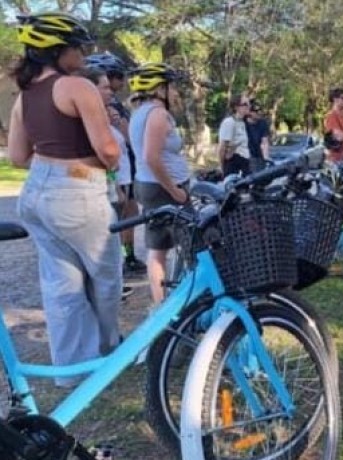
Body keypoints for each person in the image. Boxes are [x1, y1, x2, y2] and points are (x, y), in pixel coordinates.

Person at [8, 12, 122, 387]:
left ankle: (73, 372)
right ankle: (108, 355)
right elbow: (109, 151)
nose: (83, 54)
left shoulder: (25, 94)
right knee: (105, 279)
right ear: (57, 50)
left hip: (36, 193)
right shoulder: (77, 87)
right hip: (78, 190)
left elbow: (17, 157)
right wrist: (109, 156)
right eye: (77, 47)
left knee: (62, 288)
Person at [128, 62, 191, 303]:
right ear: (159, 89)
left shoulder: (138, 113)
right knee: (191, 245)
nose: (175, 92)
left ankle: (161, 305)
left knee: (158, 248)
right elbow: (151, 157)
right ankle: (188, 301)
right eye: (171, 87)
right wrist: (174, 191)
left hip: (147, 185)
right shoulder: (158, 114)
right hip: (164, 188)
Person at [85, 52, 147, 273]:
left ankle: (127, 256)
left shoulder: (115, 106)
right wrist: (114, 180)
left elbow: (128, 139)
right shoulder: (95, 110)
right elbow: (105, 151)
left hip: (127, 169)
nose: (122, 83)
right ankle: (115, 263)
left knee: (130, 214)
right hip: (112, 175)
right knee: (114, 219)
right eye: (118, 77)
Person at [218, 94, 252, 176]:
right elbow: (222, 147)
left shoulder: (242, 122)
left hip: (244, 163)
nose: (249, 106)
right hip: (233, 164)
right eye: (245, 104)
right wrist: (222, 167)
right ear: (236, 107)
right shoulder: (229, 122)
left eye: (249, 103)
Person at [245, 100, 271, 172]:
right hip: (246, 157)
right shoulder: (242, 124)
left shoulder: (263, 123)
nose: (259, 113)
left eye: (260, 110)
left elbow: (264, 142)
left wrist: (266, 158)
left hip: (259, 157)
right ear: (249, 112)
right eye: (256, 111)